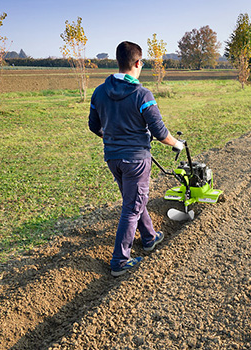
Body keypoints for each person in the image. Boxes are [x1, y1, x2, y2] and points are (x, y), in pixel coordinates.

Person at [88, 41, 184, 276]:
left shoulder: (100, 91)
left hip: (113, 158)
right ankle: (120, 261)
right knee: (132, 207)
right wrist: (178, 143)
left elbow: (93, 126)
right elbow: (161, 133)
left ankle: (150, 237)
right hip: (136, 160)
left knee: (133, 200)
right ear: (138, 63)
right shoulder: (142, 94)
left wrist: (112, 136)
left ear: (118, 62)